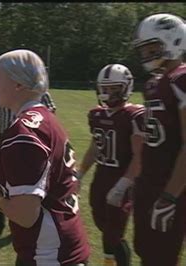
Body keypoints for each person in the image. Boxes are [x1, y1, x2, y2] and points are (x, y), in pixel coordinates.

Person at [0, 49, 90, 265]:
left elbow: (26, 216)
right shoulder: (45, 117)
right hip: (64, 243)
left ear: (18, 84)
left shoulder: (22, 134)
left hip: (50, 254)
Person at [131, 13, 186, 266]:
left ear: (174, 41)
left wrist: (170, 196)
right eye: (144, 49)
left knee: (160, 257)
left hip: (170, 185)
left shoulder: (181, 79)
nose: (146, 54)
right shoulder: (156, 83)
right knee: (146, 250)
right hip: (151, 182)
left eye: (152, 47)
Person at [77, 64, 144, 266]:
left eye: (114, 88)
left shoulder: (135, 115)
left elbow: (139, 156)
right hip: (101, 176)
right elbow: (95, 147)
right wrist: (80, 173)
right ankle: (115, 259)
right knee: (102, 223)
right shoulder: (96, 115)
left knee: (113, 232)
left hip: (123, 177)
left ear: (126, 87)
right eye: (105, 88)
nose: (108, 93)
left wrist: (123, 185)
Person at [0, 91, 56, 239]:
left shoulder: (40, 92)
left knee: (29, 186)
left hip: (32, 142)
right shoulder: (0, 91)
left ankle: (25, 223)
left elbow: (51, 117)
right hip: (6, 139)